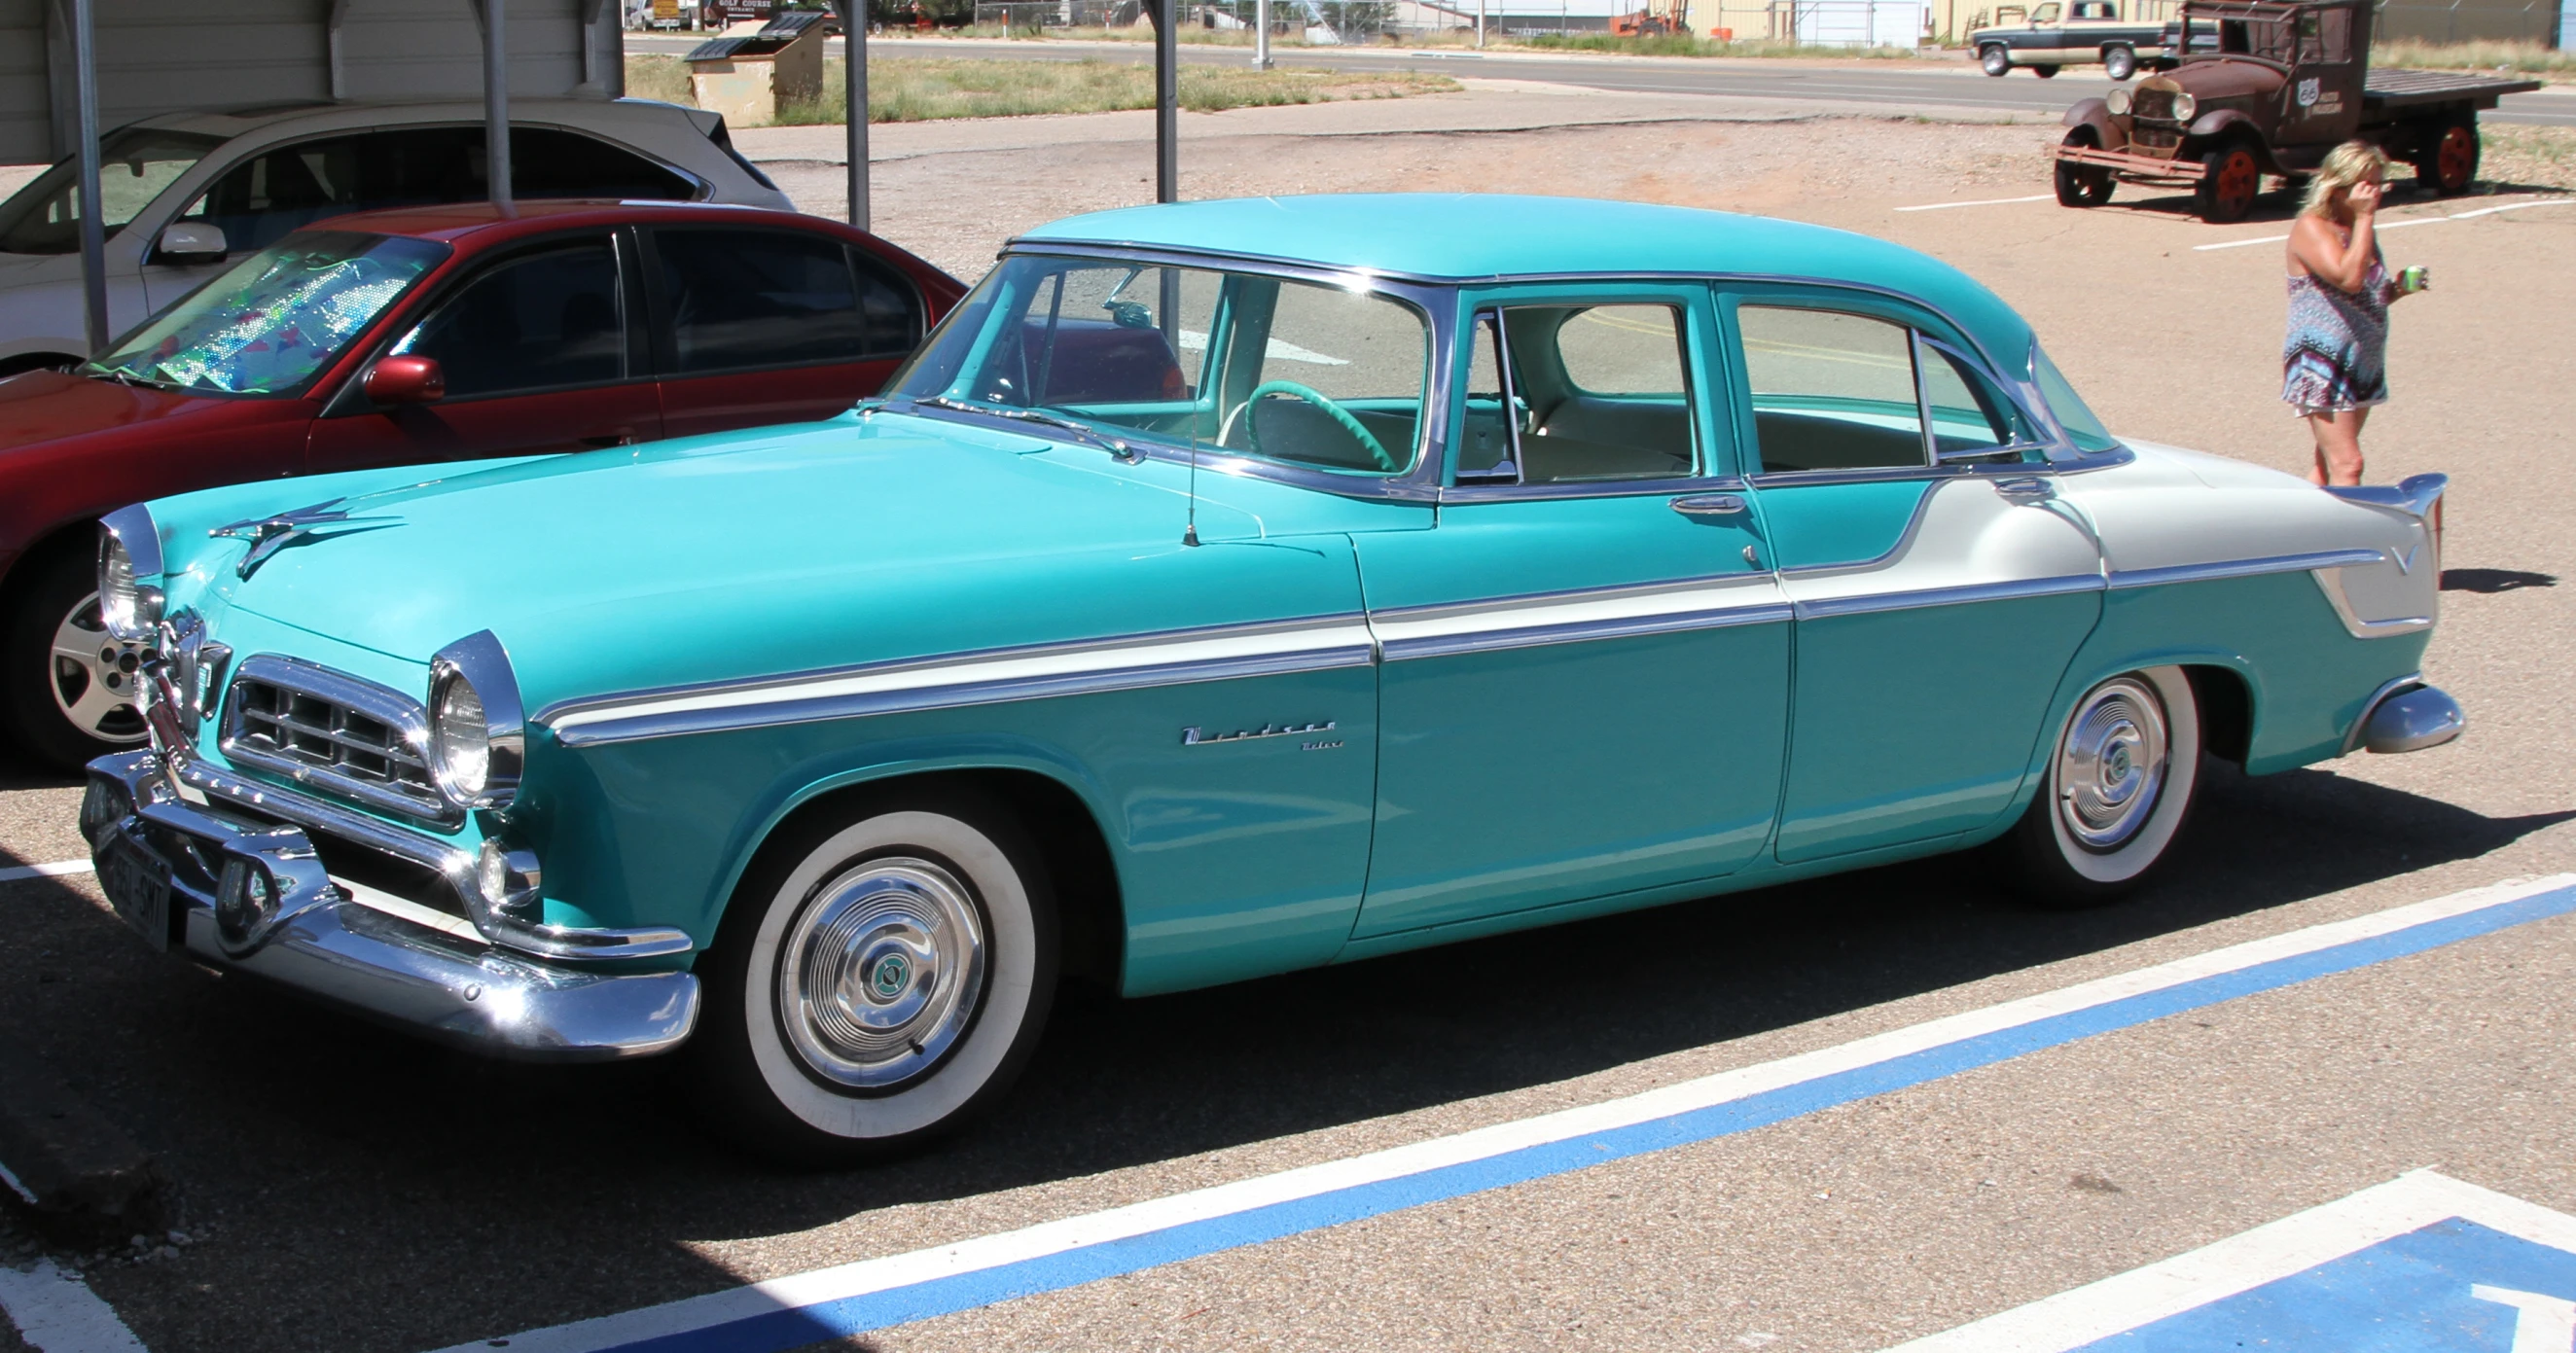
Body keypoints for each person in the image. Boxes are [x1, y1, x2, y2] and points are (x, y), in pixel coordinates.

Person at [2283, 140, 2421, 487]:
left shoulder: (2360, 229)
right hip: (2324, 360)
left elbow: (2369, 293)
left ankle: (2307, 532)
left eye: (2379, 183)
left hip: (2361, 359)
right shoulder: (2311, 227)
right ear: (2339, 186)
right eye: (2367, 185)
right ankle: (2350, 535)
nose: (2375, 193)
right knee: (2349, 464)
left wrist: (2399, 288)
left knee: (2325, 466)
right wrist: (2364, 217)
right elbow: (2348, 278)